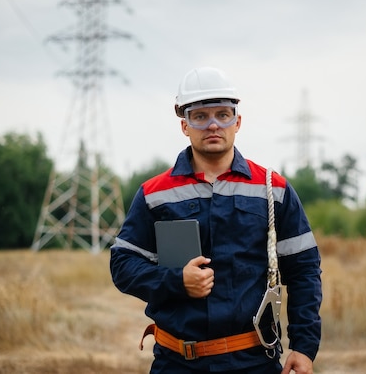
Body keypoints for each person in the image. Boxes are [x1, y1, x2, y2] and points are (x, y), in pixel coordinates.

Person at [110, 67, 322, 374]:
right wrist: (176, 281)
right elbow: (122, 265)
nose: (213, 125)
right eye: (200, 116)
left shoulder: (273, 189)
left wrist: (304, 347)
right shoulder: (155, 194)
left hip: (253, 361)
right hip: (176, 362)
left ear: (238, 121)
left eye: (223, 114)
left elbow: (304, 271)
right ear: (184, 124)